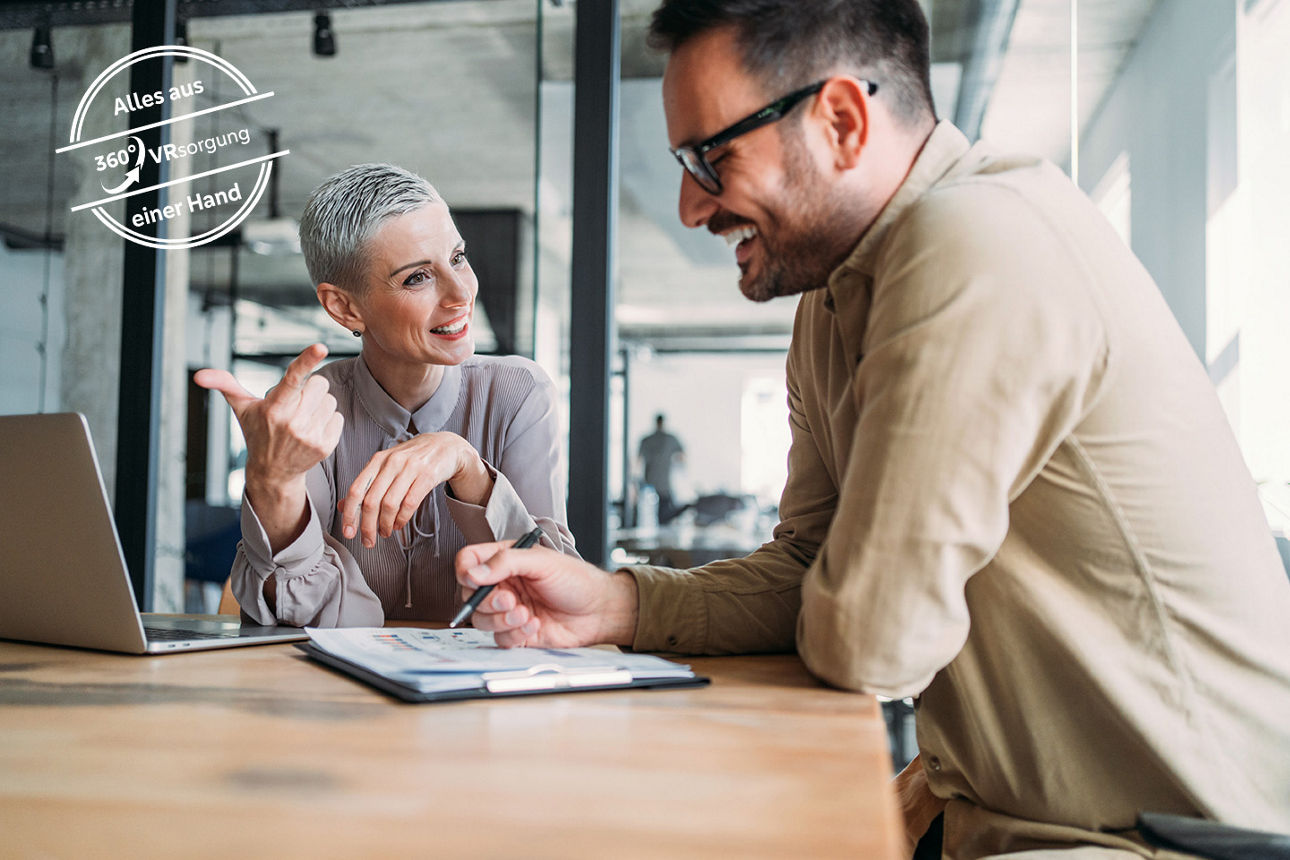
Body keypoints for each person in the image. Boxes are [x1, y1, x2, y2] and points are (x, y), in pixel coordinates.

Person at [454, 1, 1290, 857]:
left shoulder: (974, 238)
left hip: (1172, 839)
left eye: (712, 156)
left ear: (843, 120)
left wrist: (838, 604)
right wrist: (620, 603)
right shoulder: (829, 300)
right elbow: (814, 573)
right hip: (990, 816)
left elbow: (867, 640)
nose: (689, 207)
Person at [196, 163, 576, 627]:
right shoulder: (307, 413)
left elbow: (558, 598)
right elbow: (312, 619)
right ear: (345, 307)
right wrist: (270, 484)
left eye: (457, 258)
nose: (461, 293)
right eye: (417, 277)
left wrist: (467, 468)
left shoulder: (518, 393)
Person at [637, 413, 685, 524]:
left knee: (654, 514)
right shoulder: (670, 439)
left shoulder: (647, 440)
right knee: (664, 515)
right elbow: (682, 457)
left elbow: (637, 461)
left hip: (649, 481)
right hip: (662, 484)